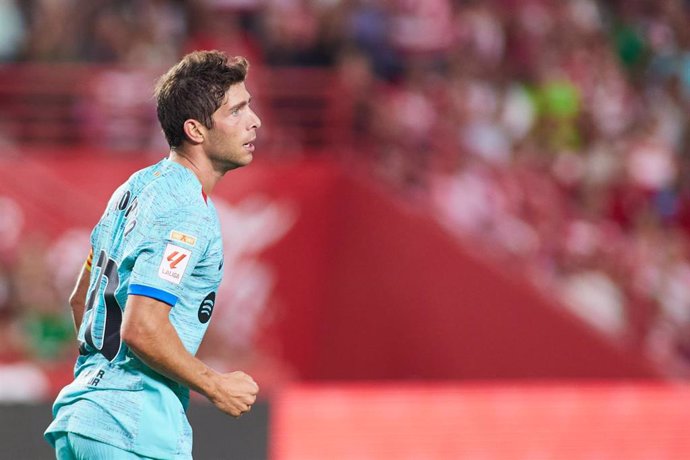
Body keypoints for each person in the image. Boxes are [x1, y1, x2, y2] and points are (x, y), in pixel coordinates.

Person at [44, 50, 261, 459]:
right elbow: (141, 326)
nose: (255, 121)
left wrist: (103, 379)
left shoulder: (134, 189)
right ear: (196, 130)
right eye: (237, 111)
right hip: (132, 430)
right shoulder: (184, 208)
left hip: (86, 418)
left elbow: (81, 298)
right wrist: (215, 385)